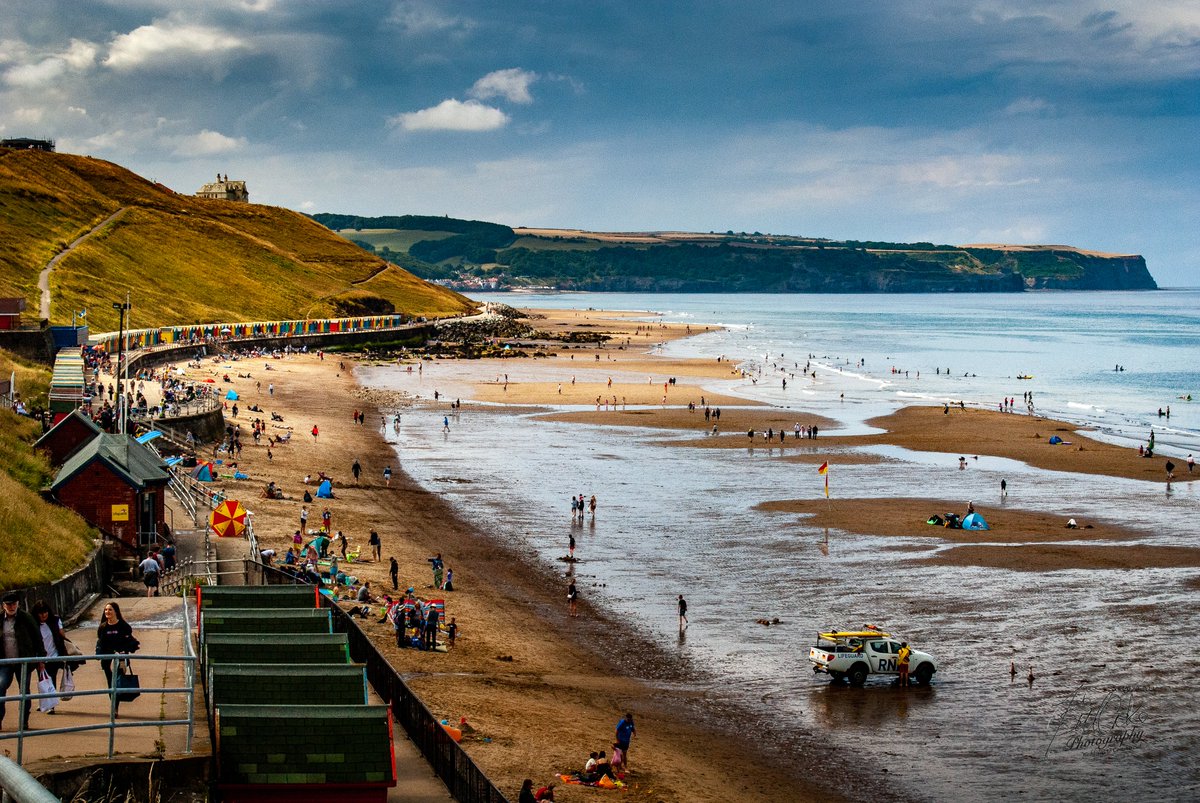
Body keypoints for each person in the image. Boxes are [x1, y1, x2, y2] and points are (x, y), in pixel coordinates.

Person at [1, 592, 46, 730]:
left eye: (14, 604)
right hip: (4, 663)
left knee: (24, 691)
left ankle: (24, 721)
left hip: (24, 662)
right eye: (9, 604)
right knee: (0, 688)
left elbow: (38, 638)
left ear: (18, 604)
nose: (12, 607)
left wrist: (41, 659)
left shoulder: (26, 618)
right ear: (3, 606)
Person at [95, 601, 138, 715]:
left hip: (120, 657)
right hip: (107, 658)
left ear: (116, 612)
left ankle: (115, 708)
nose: (107, 612)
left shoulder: (124, 626)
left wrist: (124, 654)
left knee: (118, 682)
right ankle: (114, 706)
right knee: (111, 683)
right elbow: (100, 642)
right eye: (106, 610)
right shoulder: (102, 627)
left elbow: (128, 642)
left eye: (110, 610)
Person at [32, 600, 74, 708]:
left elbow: (62, 635)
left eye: (45, 612)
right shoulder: (34, 624)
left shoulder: (55, 620)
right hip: (40, 656)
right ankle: (45, 702)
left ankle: (51, 705)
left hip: (54, 655)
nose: (44, 615)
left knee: (51, 677)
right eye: (41, 613)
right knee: (42, 679)